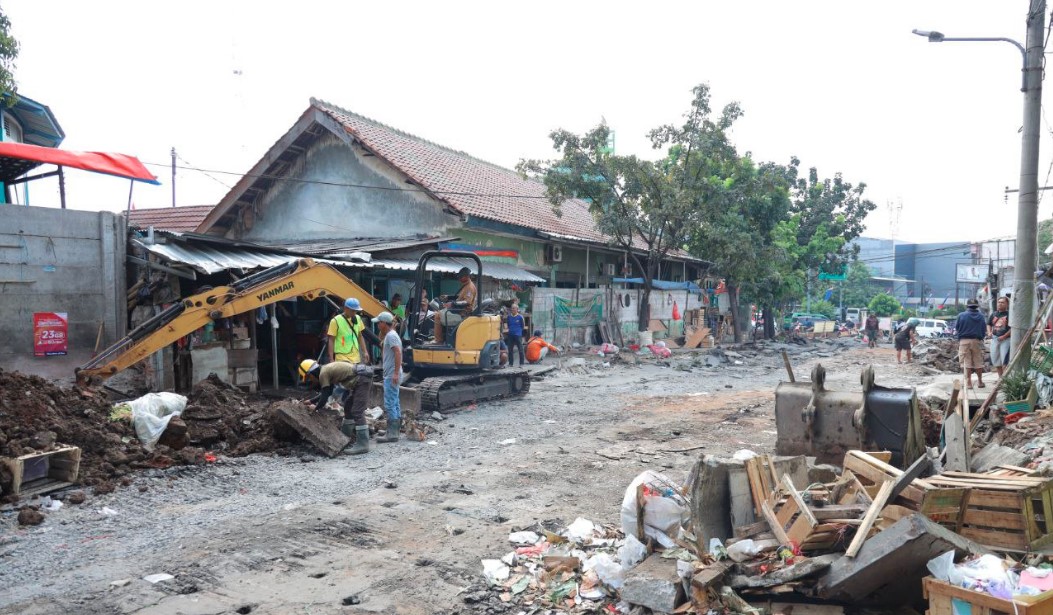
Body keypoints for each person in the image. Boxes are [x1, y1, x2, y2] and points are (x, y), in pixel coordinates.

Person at [298, 359, 373, 454]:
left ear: (311, 373)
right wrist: (311, 401)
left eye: (309, 377)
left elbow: (325, 396)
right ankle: (345, 437)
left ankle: (363, 444)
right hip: (361, 378)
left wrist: (316, 408)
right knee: (348, 407)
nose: (311, 380)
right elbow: (328, 392)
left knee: (357, 411)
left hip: (362, 379)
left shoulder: (323, 374)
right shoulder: (325, 370)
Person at [373, 312, 403, 443]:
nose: (378, 325)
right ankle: (395, 429)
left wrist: (395, 373)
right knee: (394, 401)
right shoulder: (391, 335)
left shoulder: (391, 336)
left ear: (384, 323)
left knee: (390, 403)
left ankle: (392, 433)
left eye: (379, 323)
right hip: (392, 372)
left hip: (391, 373)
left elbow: (397, 352)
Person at [434, 267, 477, 344]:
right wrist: (449, 297)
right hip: (458, 311)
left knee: (437, 315)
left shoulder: (470, 287)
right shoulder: (465, 285)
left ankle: (438, 340)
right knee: (439, 311)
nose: (459, 278)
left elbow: (467, 302)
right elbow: (460, 297)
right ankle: (442, 337)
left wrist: (452, 304)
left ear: (467, 276)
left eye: (461, 276)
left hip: (462, 314)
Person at [956, 298, 988, 388]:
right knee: (978, 361)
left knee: (966, 362)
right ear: (977, 306)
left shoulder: (961, 315)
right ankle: (980, 382)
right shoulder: (981, 316)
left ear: (967, 306)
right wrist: (981, 338)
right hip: (977, 340)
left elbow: (957, 328)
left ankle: (969, 383)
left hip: (964, 340)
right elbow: (983, 329)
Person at [327, 298, 367, 365]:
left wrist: (365, 352)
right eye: (352, 311)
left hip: (355, 358)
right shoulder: (335, 321)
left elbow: (360, 336)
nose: (354, 313)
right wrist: (331, 359)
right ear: (346, 308)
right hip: (342, 358)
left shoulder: (358, 318)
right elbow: (331, 340)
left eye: (356, 311)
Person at [988, 296, 1011, 377]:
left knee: (1005, 360)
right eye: (999, 302)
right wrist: (989, 332)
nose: (1000, 304)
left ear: (1007, 304)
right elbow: (989, 324)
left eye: (1002, 302)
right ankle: (1000, 378)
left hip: (1006, 340)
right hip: (995, 339)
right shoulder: (994, 314)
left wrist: (1004, 336)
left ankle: (1005, 380)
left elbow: (1013, 328)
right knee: (996, 359)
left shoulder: (1010, 314)